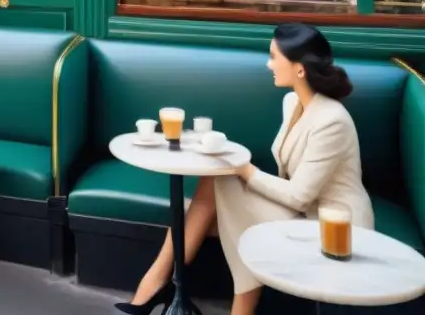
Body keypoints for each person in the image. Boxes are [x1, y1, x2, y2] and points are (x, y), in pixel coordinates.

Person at [116, 23, 372, 315]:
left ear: (299, 69)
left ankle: (156, 287)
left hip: (333, 228)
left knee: (219, 184)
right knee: (211, 188)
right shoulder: (292, 102)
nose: (268, 63)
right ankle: (161, 284)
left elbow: (300, 195)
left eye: (274, 56)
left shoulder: (332, 120)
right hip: (301, 210)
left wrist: (245, 170)